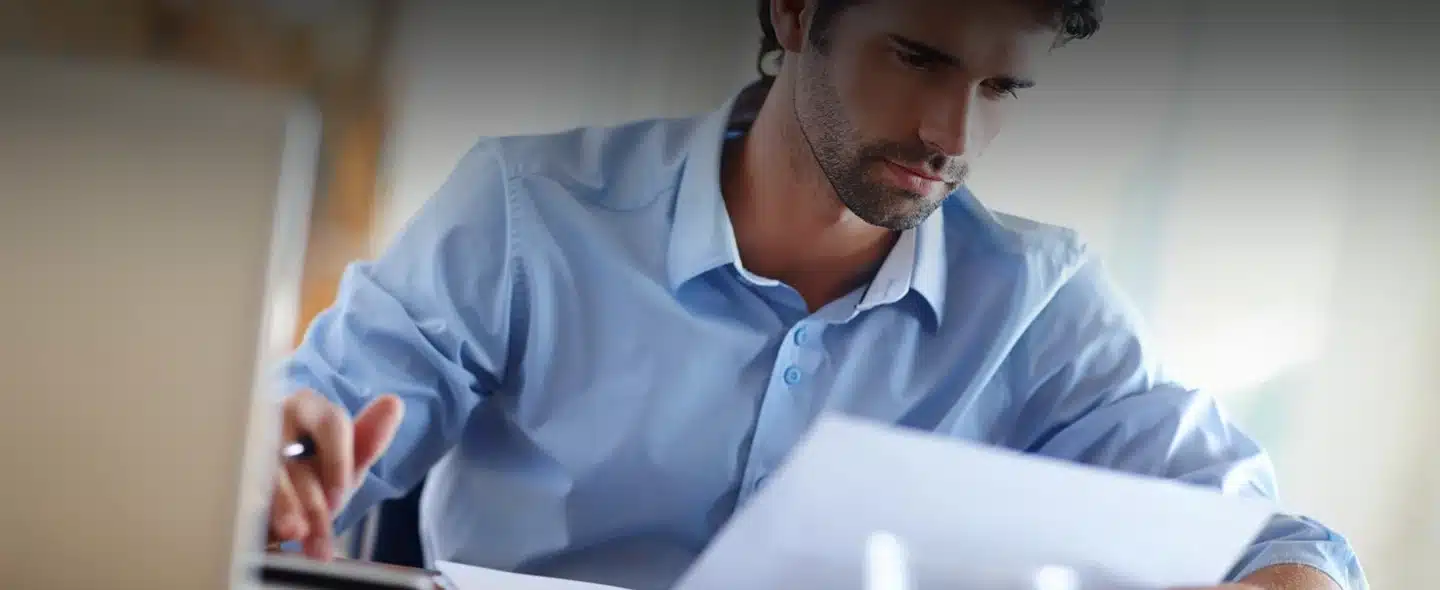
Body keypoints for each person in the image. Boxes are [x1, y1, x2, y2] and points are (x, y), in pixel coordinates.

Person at [267, 0, 1367, 588]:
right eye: (918, 57)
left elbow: (1272, 532)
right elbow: (313, 432)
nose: (953, 133)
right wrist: (275, 455)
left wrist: (1284, 575)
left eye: (1001, 87)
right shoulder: (525, 211)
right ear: (794, 11)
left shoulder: (1041, 301)